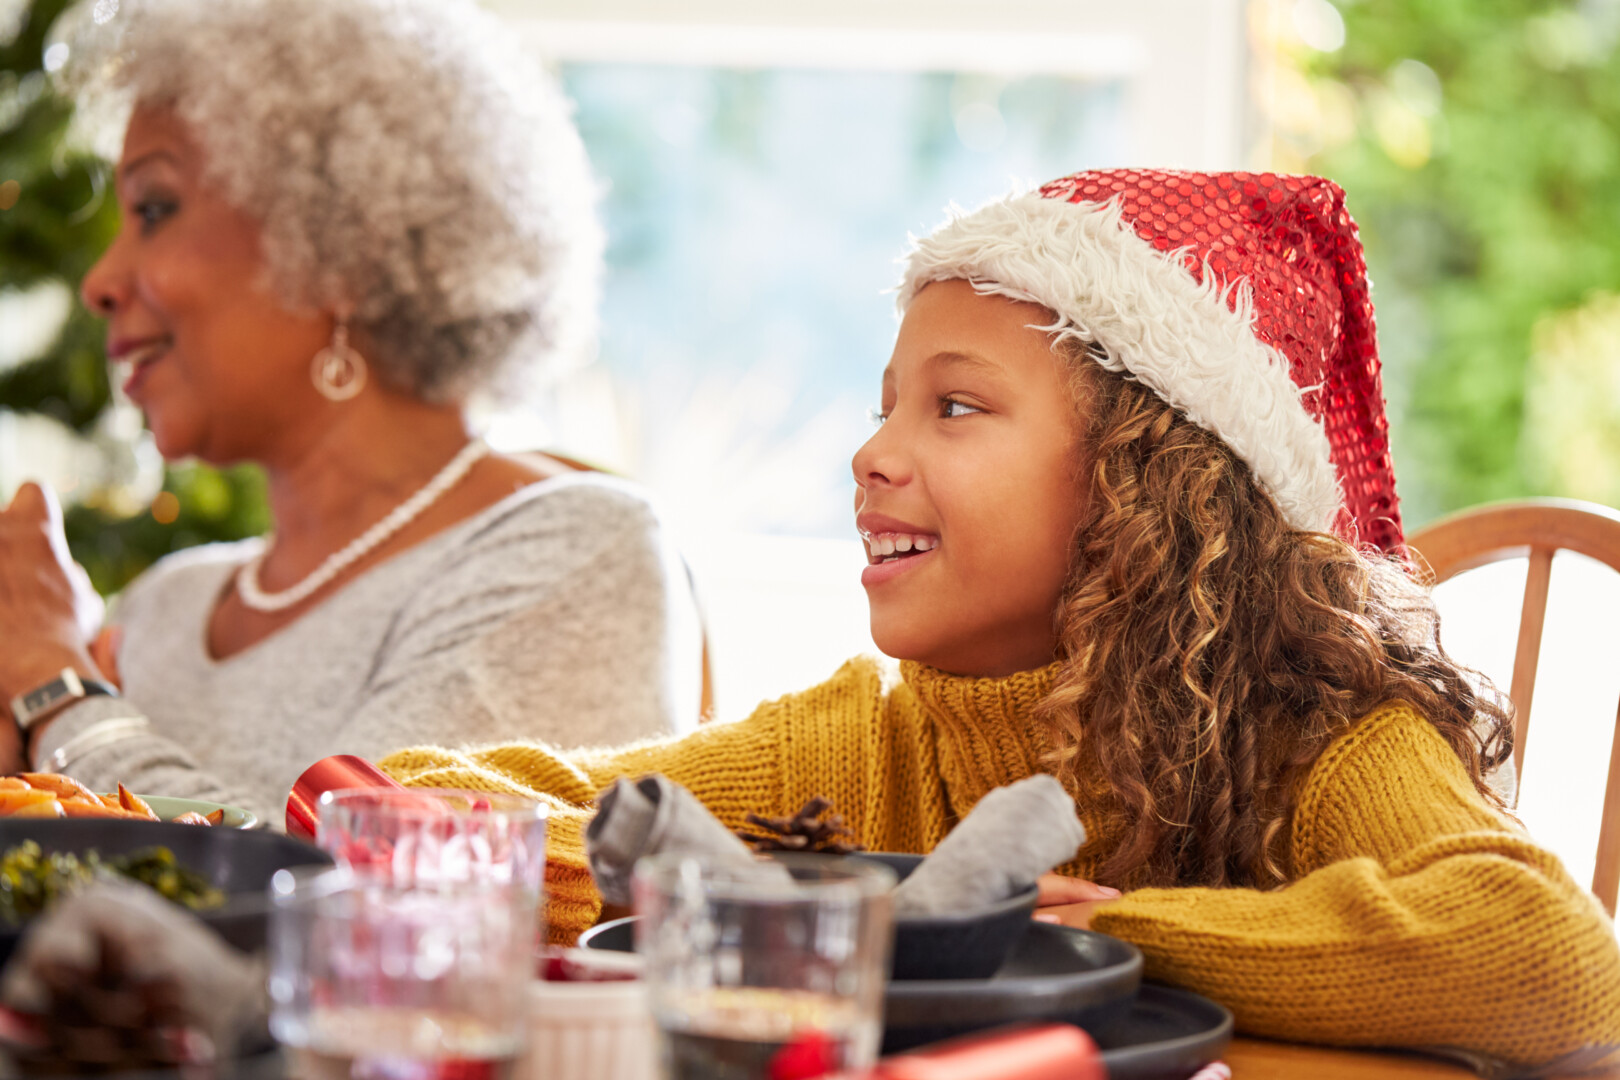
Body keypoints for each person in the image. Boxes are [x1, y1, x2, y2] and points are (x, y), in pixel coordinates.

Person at [383, 170, 1620, 1070]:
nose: (872, 452)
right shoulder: (852, 745)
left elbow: (1551, 953)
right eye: (885, 406)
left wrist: (1125, 931)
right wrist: (752, 900)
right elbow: (440, 803)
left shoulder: (1322, 739)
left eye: (955, 408)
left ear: (1149, 484)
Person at [0, 0, 704, 825]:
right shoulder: (166, 604)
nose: (102, 280)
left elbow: (361, 892)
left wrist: (54, 688)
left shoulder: (576, 553)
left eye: (155, 208)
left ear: (340, 237)